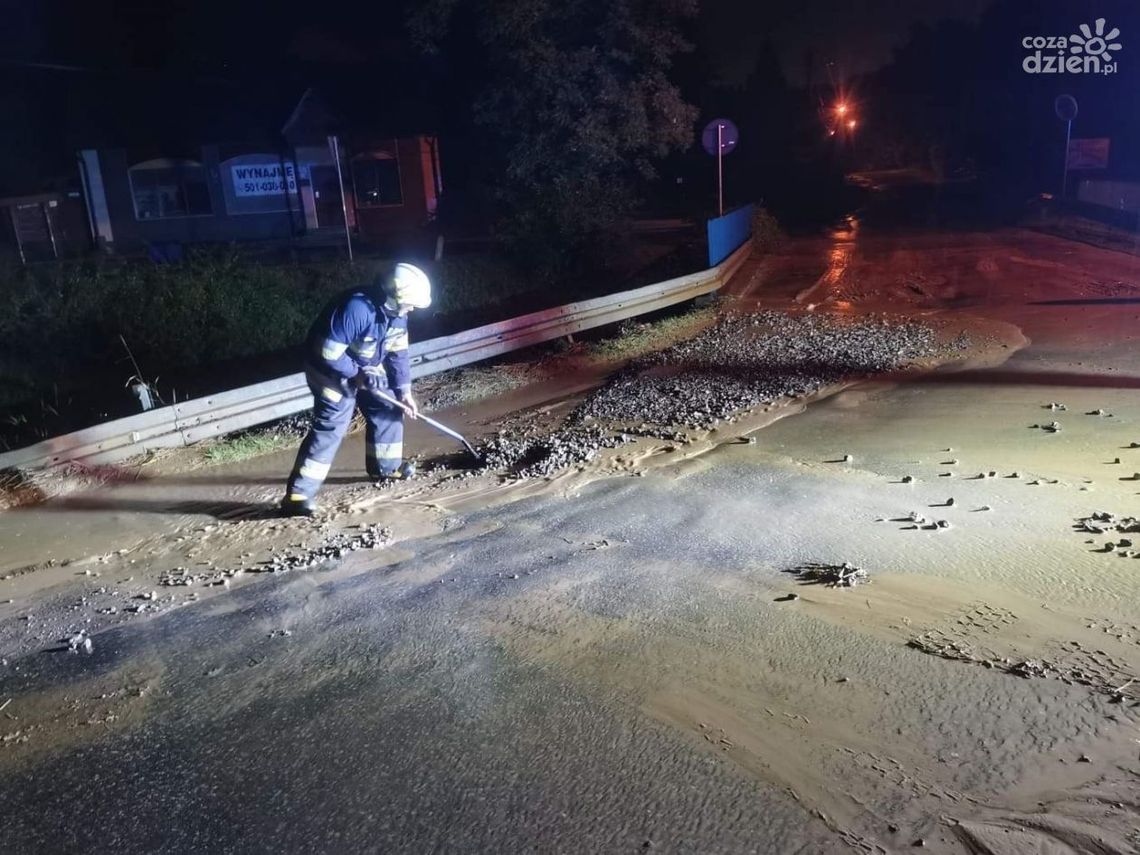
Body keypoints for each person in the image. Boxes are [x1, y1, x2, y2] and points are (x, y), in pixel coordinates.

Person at [281, 263, 431, 517]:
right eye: (411, 303)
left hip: (362, 367)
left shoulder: (398, 314)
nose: (413, 309)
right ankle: (298, 495)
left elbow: (397, 353)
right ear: (394, 296)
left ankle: (385, 468)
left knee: (389, 407)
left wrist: (404, 391)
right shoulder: (357, 309)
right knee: (333, 424)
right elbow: (327, 352)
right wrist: (358, 375)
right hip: (327, 370)